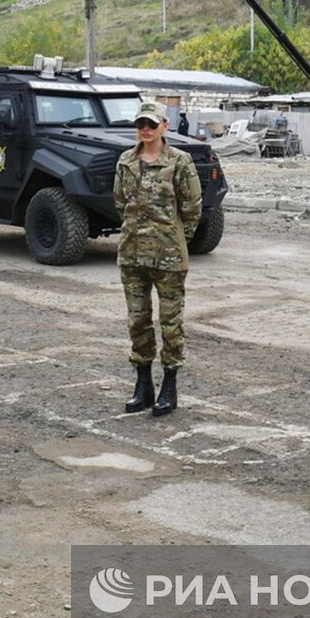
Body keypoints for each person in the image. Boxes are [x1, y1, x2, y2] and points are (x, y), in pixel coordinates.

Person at [114, 99, 202, 417]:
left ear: (165, 126)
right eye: (141, 125)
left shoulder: (180, 161)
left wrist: (176, 238)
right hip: (133, 254)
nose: (146, 130)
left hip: (168, 257)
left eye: (152, 124)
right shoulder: (126, 161)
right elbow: (120, 202)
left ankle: (169, 385)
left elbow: (192, 208)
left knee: (170, 324)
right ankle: (143, 385)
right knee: (137, 321)